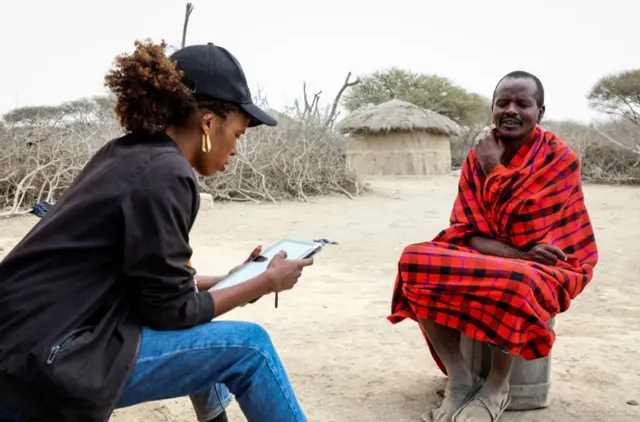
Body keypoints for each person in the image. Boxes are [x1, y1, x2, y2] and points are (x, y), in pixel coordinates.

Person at [0, 40, 313, 422]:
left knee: (206, 335)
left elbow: (151, 282)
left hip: (23, 348)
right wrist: (264, 283)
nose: (234, 149)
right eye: (239, 134)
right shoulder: (166, 172)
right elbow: (173, 312)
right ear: (209, 123)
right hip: (52, 363)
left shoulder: (125, 153)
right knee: (251, 348)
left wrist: (230, 280)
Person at [388, 71, 598, 422]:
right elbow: (465, 231)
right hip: (505, 255)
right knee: (415, 259)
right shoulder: (476, 158)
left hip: (555, 264)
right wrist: (517, 254)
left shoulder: (561, 160)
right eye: (503, 103)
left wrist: (493, 168)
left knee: (516, 280)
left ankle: (497, 387)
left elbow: (525, 229)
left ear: (540, 112)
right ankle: (460, 377)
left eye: (523, 104)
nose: (511, 110)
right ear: (493, 109)